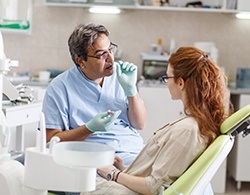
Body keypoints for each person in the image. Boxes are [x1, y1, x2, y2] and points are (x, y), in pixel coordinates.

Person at [80, 46, 232, 195]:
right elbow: (161, 172)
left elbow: (153, 186)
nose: (166, 82)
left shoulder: (187, 130)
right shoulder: (195, 124)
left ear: (180, 83)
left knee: (90, 186)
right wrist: (124, 168)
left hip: (142, 190)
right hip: (137, 179)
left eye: (167, 77)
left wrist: (113, 174)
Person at [42, 23, 147, 166]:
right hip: (94, 158)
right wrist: (89, 128)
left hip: (134, 151)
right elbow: (51, 140)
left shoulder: (120, 76)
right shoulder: (60, 87)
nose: (110, 58)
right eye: (101, 54)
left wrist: (131, 91)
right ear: (81, 61)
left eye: (110, 50)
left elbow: (139, 124)